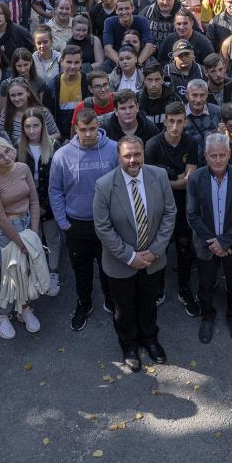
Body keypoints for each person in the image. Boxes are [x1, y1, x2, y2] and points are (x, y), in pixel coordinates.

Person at [91, 136, 175, 371]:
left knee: (148, 302)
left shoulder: (158, 176)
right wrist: (130, 257)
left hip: (153, 259)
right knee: (124, 307)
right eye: (127, 155)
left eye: (137, 154)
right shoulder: (105, 185)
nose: (133, 160)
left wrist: (155, 250)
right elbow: (103, 227)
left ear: (143, 154)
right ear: (118, 157)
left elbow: (170, 213)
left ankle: (149, 338)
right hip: (120, 263)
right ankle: (128, 344)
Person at [47, 108, 117, 332]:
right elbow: (55, 190)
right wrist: (63, 221)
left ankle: (110, 299)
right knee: (81, 269)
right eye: (83, 129)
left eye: (93, 129)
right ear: (76, 128)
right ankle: (84, 303)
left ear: (99, 127)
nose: (88, 134)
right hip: (76, 223)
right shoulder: (62, 155)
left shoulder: (114, 150)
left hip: (106, 222)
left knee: (109, 267)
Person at [184, 132, 232, 343]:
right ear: (205, 155)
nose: (218, 160)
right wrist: (213, 242)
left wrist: (224, 241)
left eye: (222, 155)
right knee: (206, 284)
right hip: (206, 245)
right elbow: (192, 215)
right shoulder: (195, 179)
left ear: (229, 154)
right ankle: (207, 317)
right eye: (213, 155)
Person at [0, 137, 45, 340]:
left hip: (27, 224)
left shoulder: (23, 168)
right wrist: (21, 242)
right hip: (6, 231)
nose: (6, 158)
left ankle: (23, 308)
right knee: (13, 277)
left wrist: (33, 234)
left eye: (7, 151)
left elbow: (34, 201)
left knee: (27, 271)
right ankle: (0, 315)